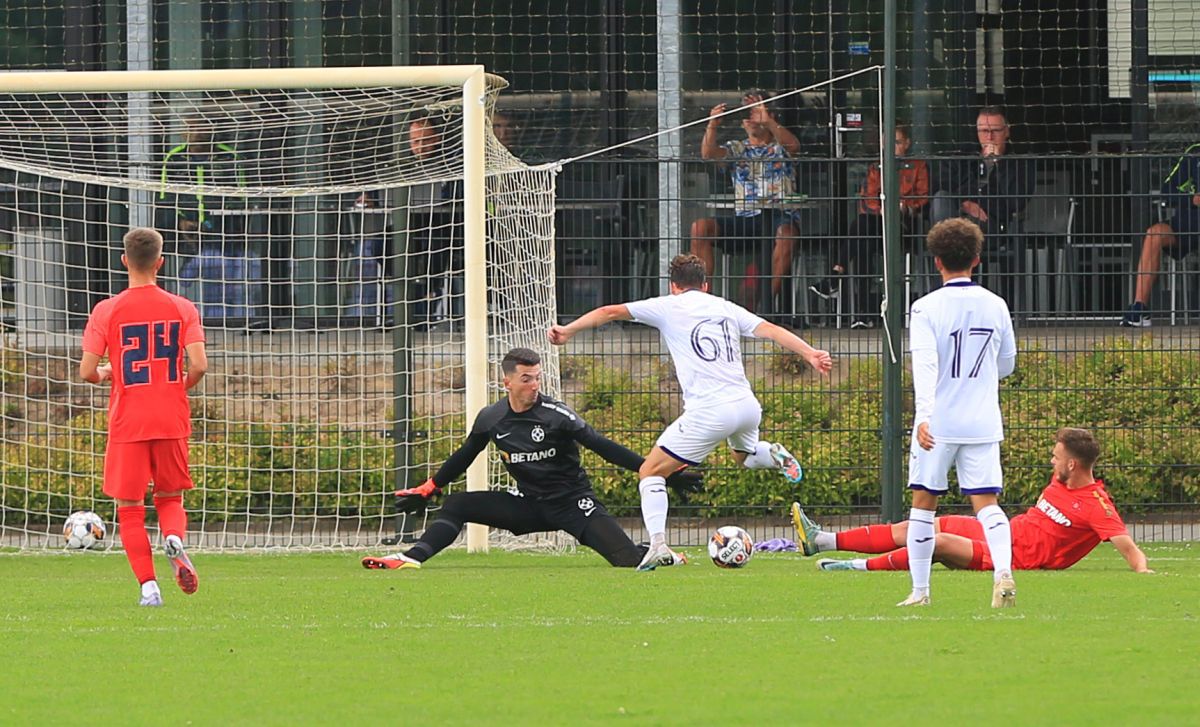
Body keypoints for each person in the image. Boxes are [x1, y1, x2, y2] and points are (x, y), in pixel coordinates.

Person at [547, 254, 833, 571]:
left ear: (674, 286)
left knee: (651, 472)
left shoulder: (669, 306)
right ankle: (773, 453)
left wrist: (568, 330)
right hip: (747, 405)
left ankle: (657, 545)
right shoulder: (724, 306)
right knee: (744, 456)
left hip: (710, 410)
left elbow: (609, 311)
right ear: (706, 284)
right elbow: (770, 330)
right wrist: (809, 352)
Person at [361, 347, 704, 571]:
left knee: (627, 560)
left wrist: (663, 474)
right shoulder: (491, 418)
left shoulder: (557, 416)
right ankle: (410, 559)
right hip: (527, 505)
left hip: (573, 504)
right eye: (526, 379)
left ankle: (661, 553)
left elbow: (604, 447)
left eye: (537, 377)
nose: (534, 385)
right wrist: (430, 486)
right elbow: (465, 455)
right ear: (507, 382)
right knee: (457, 504)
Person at [793, 428, 1153, 575]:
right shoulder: (1062, 481)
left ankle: (852, 567)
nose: (1051, 461)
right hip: (1003, 533)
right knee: (919, 526)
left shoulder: (1096, 504)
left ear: (1073, 465)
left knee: (940, 542)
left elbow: (1126, 545)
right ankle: (821, 540)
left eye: (1056, 457)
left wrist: (1142, 570)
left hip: (1014, 557)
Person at [78, 227, 208, 607]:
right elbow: (199, 364)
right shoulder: (182, 307)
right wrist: (176, 387)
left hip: (128, 421)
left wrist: (106, 372)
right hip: (170, 417)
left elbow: (87, 370)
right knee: (170, 497)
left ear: (124, 261)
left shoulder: (107, 310)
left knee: (130, 508)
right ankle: (175, 539)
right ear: (161, 262)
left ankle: (149, 588)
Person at [899, 217, 1017, 608]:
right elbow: (1007, 364)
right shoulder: (996, 305)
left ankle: (920, 592)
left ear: (936, 261)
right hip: (982, 420)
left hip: (939, 423)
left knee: (923, 502)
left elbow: (926, 366)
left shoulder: (925, 308)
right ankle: (1003, 572)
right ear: (977, 259)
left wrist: (925, 416)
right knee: (987, 504)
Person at [690, 91, 802, 317]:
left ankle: (764, 308)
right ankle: (699, 302)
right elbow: (708, 153)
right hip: (745, 219)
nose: (751, 119)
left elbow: (794, 146)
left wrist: (767, 120)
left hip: (779, 217)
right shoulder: (736, 148)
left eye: (756, 112)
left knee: (787, 235)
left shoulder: (780, 145)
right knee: (700, 228)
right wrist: (712, 125)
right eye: (747, 114)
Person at [810, 124, 930, 327]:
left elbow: (922, 197)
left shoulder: (917, 165)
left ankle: (836, 278)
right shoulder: (877, 167)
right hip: (877, 225)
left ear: (907, 144)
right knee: (863, 237)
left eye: (897, 142)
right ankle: (862, 315)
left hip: (905, 225)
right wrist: (881, 209)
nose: (891, 148)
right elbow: (868, 198)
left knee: (861, 227)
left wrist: (902, 207)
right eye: (887, 143)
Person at [159, 115, 251, 323]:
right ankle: (185, 319)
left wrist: (217, 222)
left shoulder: (229, 157)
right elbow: (165, 197)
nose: (196, 132)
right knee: (186, 279)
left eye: (202, 125)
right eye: (191, 126)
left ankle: (230, 319)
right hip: (186, 234)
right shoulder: (174, 158)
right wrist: (181, 223)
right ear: (183, 131)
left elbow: (241, 196)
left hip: (222, 233)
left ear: (212, 129)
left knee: (225, 280)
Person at [1121, 143, 1200, 327]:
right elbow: (1167, 190)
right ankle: (1140, 308)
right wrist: (1191, 199)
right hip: (1187, 225)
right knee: (1154, 233)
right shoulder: (1195, 152)